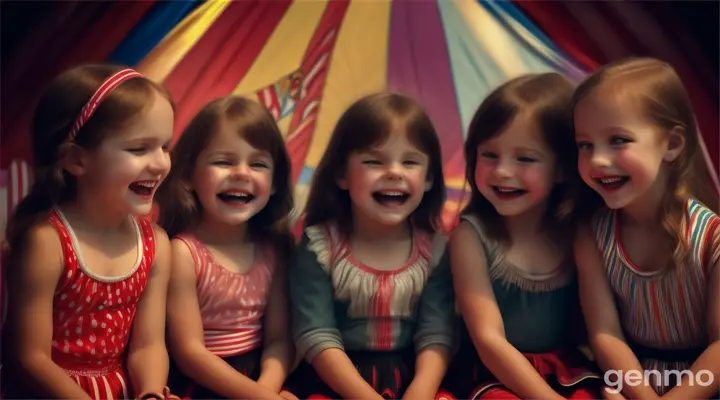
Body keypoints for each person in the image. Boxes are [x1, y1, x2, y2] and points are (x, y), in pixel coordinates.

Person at [3, 64, 175, 399]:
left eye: (165, 147)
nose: (160, 164)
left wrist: (152, 392)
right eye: (139, 149)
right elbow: (29, 358)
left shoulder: (157, 243)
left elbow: (149, 345)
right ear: (75, 160)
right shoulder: (47, 242)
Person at [285, 92, 455, 399]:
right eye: (374, 161)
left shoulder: (436, 250)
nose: (394, 172)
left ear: (429, 178)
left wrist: (421, 390)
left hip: (414, 377)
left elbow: (436, 332)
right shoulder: (319, 248)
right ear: (341, 175)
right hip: (336, 381)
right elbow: (315, 333)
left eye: (410, 162)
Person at [446, 73, 602, 400]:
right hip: (492, 374)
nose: (502, 171)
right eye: (489, 155)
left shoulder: (577, 233)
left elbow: (601, 328)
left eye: (525, 158)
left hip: (565, 368)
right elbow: (489, 340)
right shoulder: (470, 237)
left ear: (562, 169)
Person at [573, 57, 720, 399]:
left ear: (671, 145)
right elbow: (605, 334)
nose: (597, 160)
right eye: (585, 145)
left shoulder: (711, 236)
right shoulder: (592, 235)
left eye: (618, 140)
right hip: (629, 379)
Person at [156, 96, 295, 400]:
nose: (242, 173)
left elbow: (279, 342)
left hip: (260, 380)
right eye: (223, 161)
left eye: (257, 164)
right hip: (203, 384)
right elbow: (189, 352)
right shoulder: (183, 253)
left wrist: (266, 390)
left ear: (274, 184)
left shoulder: (274, 251)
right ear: (188, 176)